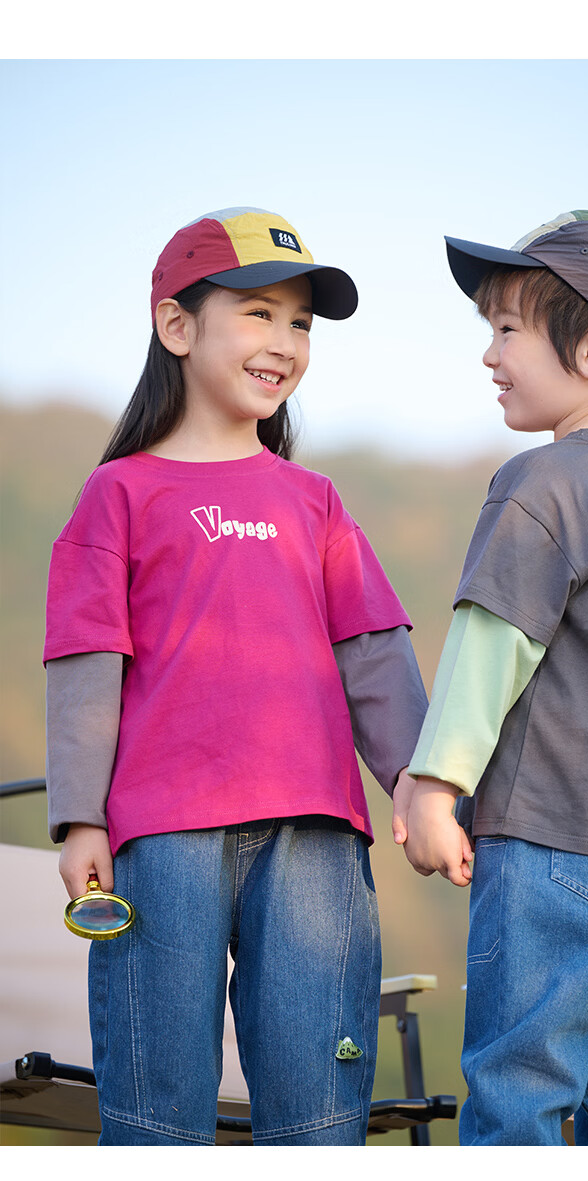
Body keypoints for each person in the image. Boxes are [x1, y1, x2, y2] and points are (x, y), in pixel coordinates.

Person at [44, 206, 428, 1146]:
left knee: (318, 1116)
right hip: (160, 840)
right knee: (157, 1114)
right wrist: (82, 815)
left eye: (300, 322)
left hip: (314, 837)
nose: (285, 342)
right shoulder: (119, 492)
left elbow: (373, 650)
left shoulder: (315, 501)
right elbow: (87, 662)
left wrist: (421, 783)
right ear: (177, 326)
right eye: (259, 313)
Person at [392, 211, 588, 1146]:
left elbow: (492, 643)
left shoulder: (544, 481)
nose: (489, 354)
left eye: (507, 329)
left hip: (553, 836)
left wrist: (434, 784)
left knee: (520, 1081)